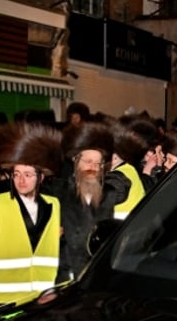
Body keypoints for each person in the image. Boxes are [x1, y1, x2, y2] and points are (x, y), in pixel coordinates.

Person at [0, 121, 65, 306]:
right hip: (2, 300)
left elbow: (58, 250)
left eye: (28, 175)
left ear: (41, 178)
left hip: (41, 298)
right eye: (16, 174)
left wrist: (58, 287)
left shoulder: (54, 204)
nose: (21, 180)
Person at [54, 120, 127, 281]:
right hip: (67, 275)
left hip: (98, 274)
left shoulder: (109, 193)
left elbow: (124, 183)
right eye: (88, 162)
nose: (93, 168)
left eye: (97, 163)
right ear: (75, 161)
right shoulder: (60, 192)